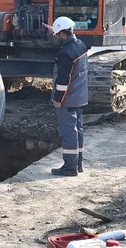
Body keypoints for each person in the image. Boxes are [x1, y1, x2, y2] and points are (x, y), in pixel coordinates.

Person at [44, 16, 89, 176]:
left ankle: (70, 168)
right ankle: (78, 164)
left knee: (69, 131)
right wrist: (52, 31)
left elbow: (63, 81)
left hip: (67, 99)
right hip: (80, 96)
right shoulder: (81, 45)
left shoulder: (65, 53)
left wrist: (57, 100)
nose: (55, 37)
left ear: (62, 34)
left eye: (56, 34)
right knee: (78, 129)